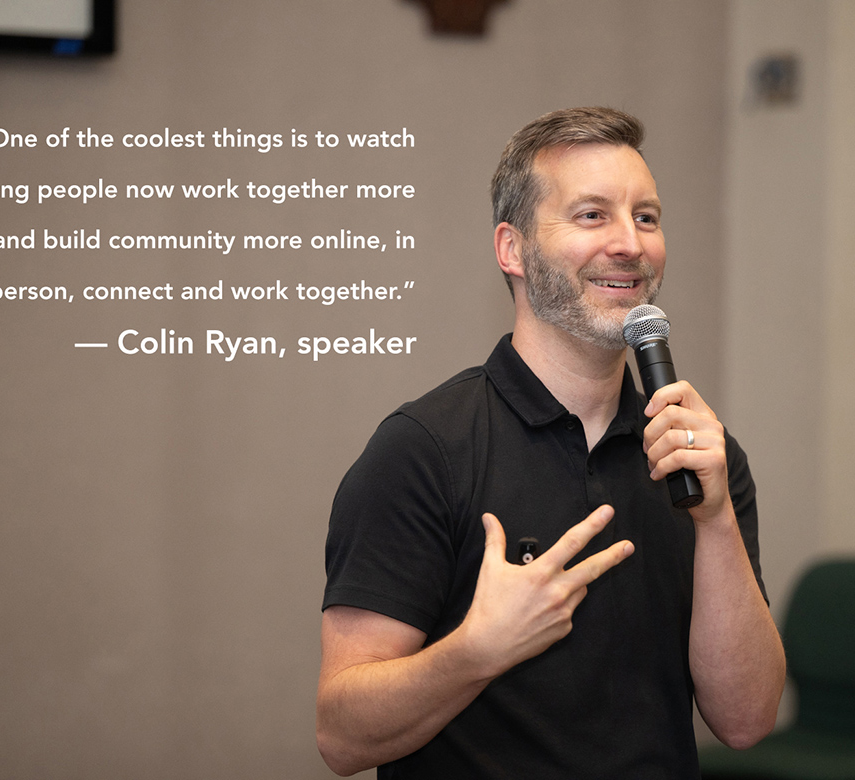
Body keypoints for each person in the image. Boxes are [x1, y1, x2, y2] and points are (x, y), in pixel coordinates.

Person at [316, 107, 785, 778]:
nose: (630, 244)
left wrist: (715, 522)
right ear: (512, 249)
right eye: (592, 215)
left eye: (646, 217)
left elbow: (746, 721)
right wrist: (476, 652)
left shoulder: (700, 455)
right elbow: (341, 737)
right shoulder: (423, 451)